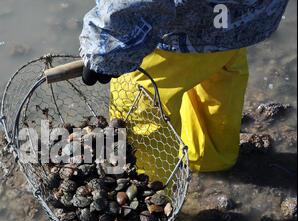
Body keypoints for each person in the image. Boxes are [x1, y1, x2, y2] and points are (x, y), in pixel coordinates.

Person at [79, 0, 289, 174]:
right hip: (243, 16)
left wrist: (104, 46)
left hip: (177, 29)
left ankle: (153, 191)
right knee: (217, 73)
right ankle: (211, 161)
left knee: (141, 108)